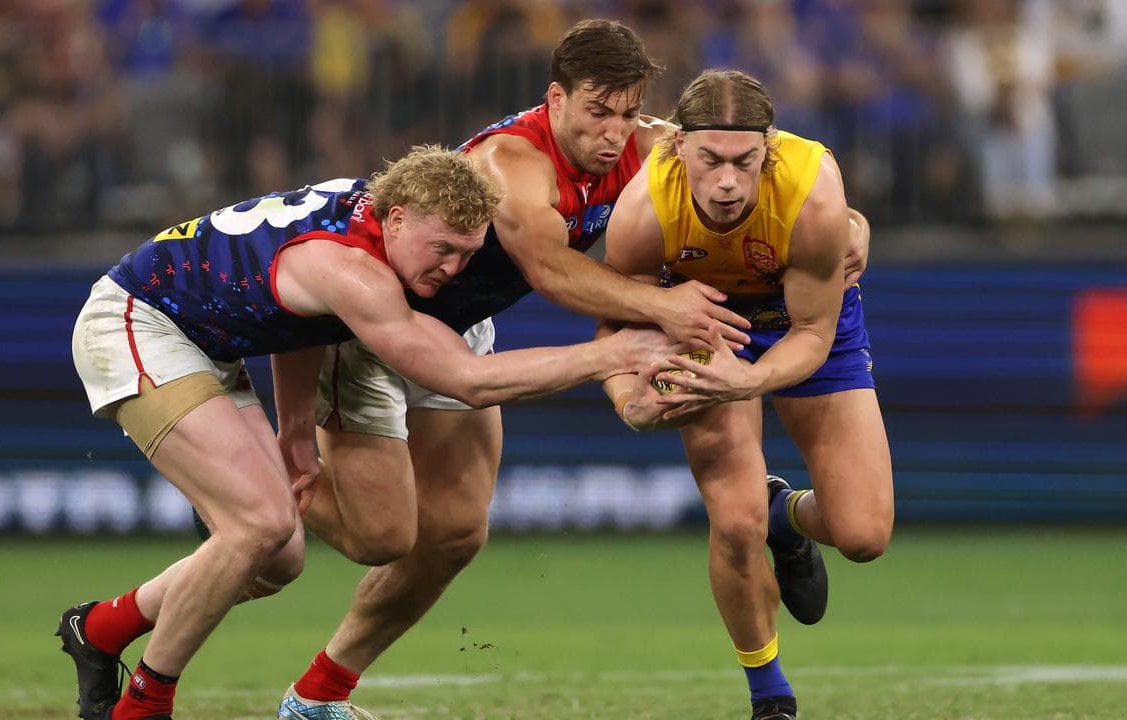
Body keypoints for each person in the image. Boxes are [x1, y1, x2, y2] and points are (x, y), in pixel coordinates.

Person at [273, 21, 871, 720]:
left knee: (458, 533)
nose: (613, 133)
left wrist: (848, 224)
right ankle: (269, 492)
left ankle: (319, 695)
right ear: (556, 99)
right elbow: (553, 272)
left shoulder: (653, 144)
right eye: (596, 111)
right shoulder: (510, 163)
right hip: (373, 318)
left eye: (626, 112)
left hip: (458, 329)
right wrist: (661, 310)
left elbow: (768, 170)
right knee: (383, 537)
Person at [54, 144, 667, 720]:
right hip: (138, 322)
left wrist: (295, 432)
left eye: (466, 254)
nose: (453, 269)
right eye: (443, 248)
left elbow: (294, 317)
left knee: (278, 559)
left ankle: (101, 629)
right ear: (396, 219)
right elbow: (467, 381)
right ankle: (145, 705)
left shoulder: (367, 217)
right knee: (262, 526)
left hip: (209, 343)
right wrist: (609, 356)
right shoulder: (354, 270)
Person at [599, 70, 895, 720]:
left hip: (805, 325)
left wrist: (750, 380)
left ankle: (786, 515)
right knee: (735, 524)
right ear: (680, 148)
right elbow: (617, 317)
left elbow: (814, 335)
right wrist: (628, 399)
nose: (727, 181)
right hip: (703, 322)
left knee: (865, 534)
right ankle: (771, 698)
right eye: (710, 160)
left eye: (744, 161)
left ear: (770, 148)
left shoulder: (813, 193)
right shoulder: (645, 208)